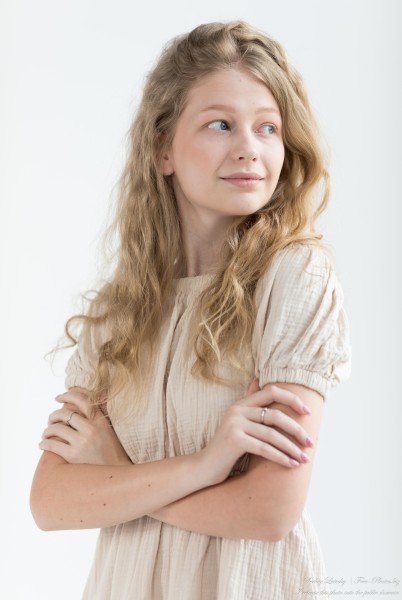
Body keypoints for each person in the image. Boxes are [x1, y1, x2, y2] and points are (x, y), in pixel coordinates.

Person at [30, 20, 351, 599]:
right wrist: (208, 466)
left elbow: (268, 510)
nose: (250, 148)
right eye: (220, 124)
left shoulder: (294, 277)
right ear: (162, 149)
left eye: (268, 128)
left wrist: (120, 479)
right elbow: (51, 504)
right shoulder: (116, 312)